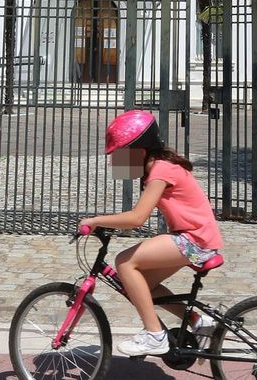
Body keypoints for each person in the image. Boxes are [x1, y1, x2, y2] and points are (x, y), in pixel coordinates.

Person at [82, 110, 225, 357]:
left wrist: (95, 221)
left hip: (193, 239)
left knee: (125, 263)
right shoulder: (158, 168)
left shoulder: (161, 170)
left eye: (119, 153)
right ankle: (199, 323)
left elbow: (137, 218)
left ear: (140, 150)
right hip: (196, 238)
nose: (114, 161)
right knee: (143, 285)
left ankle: (155, 335)